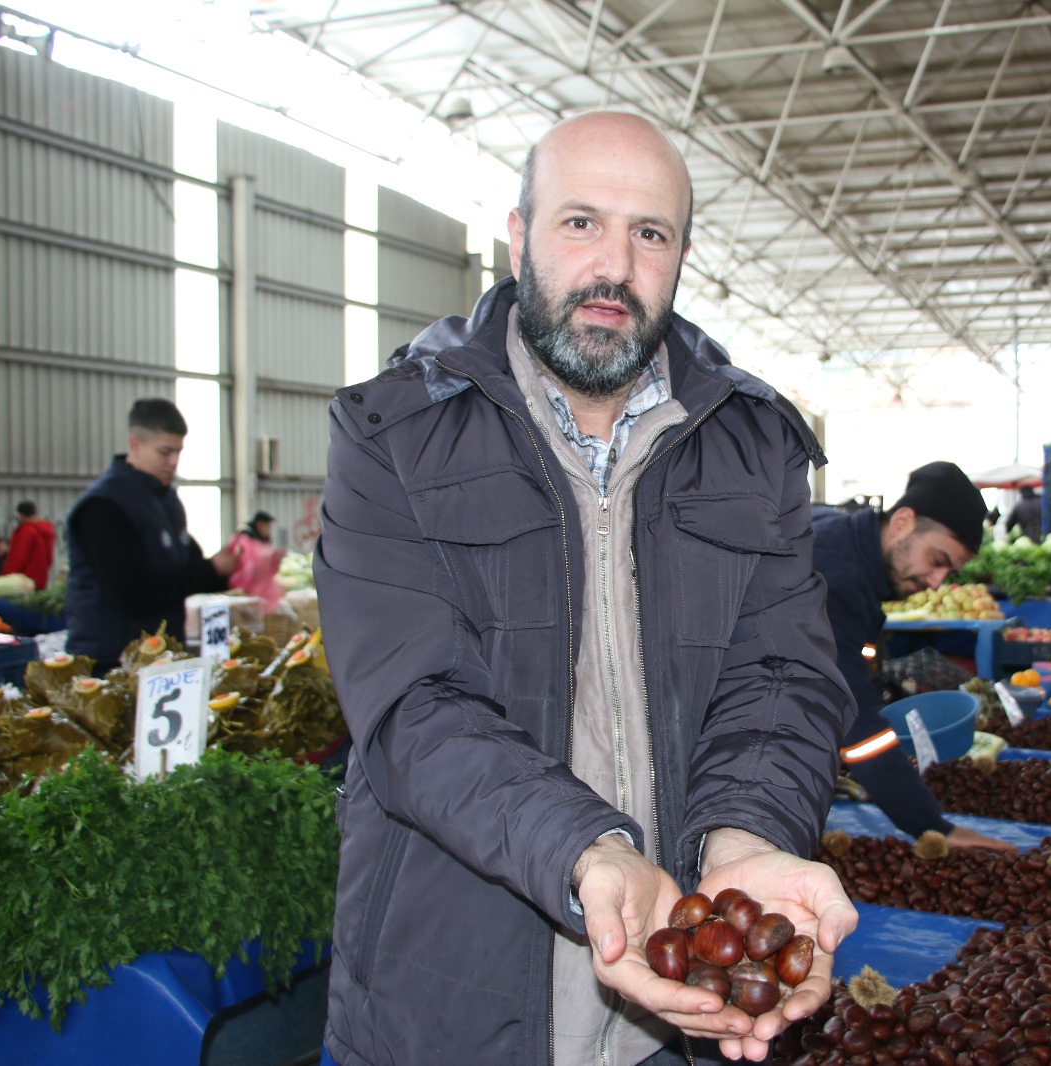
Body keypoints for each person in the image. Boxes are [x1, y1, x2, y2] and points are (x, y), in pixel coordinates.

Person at [314, 111, 857, 1066]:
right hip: (450, 1008)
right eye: (580, 223)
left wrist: (747, 837)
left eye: (649, 233)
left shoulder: (754, 442)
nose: (614, 266)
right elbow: (413, 705)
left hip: (686, 1013)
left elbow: (779, 675)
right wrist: (588, 851)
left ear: (682, 254)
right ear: (519, 239)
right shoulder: (391, 433)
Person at [812, 463, 1016, 853]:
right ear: (903, 522)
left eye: (949, 571)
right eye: (938, 560)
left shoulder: (851, 544)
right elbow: (852, 714)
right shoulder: (834, 575)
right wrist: (931, 826)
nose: (937, 581)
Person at [64, 398, 240, 672]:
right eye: (165, 452)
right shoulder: (105, 506)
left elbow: (188, 569)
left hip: (159, 657)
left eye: (178, 452)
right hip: (112, 662)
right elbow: (131, 593)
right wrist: (212, 568)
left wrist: (231, 567)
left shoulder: (165, 502)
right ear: (135, 444)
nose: (173, 462)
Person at [2, 500, 56, 589]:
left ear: (21, 515)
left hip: (22, 582)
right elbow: (49, 558)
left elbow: (18, 556)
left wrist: (7, 577)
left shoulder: (27, 531)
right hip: (40, 579)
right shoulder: (46, 529)